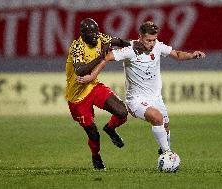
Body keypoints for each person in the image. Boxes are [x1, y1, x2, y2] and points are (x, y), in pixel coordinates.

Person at [76, 21, 206, 156]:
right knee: (157, 117)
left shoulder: (158, 46)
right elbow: (107, 57)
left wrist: (192, 55)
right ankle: (168, 154)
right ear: (140, 37)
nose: (152, 43)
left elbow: (177, 55)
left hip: (156, 98)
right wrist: (91, 76)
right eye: (148, 40)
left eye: (154, 40)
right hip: (136, 100)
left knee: (165, 127)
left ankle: (164, 152)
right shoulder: (130, 49)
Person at [65, 18, 131, 170]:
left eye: (96, 31)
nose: (95, 36)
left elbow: (119, 41)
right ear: (83, 34)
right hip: (77, 99)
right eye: (91, 33)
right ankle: (96, 156)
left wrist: (136, 45)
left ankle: (110, 128)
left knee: (122, 112)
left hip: (93, 87)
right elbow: (80, 71)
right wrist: (101, 57)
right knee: (93, 133)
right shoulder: (77, 47)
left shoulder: (101, 37)